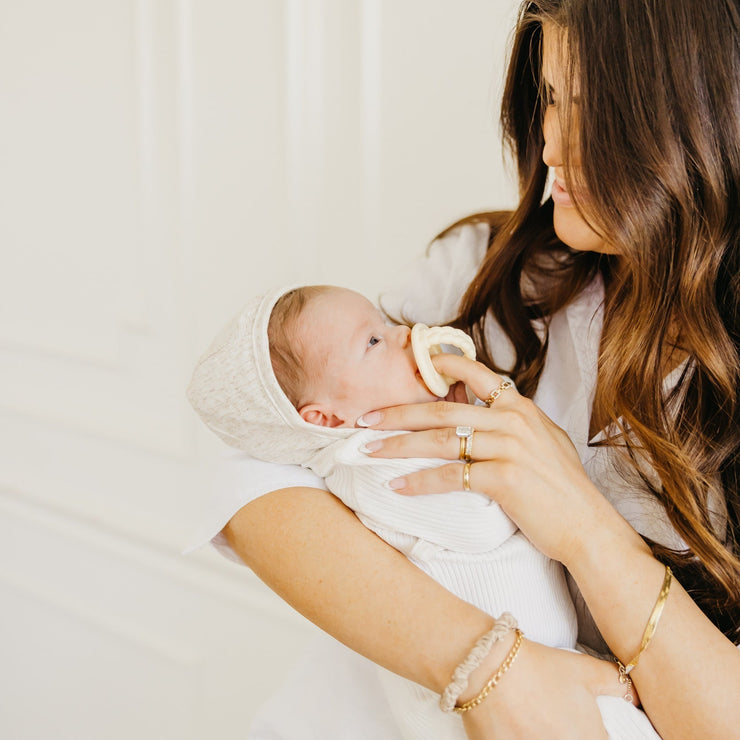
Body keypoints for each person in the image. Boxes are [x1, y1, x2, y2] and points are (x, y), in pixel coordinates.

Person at [188, 1, 740, 737]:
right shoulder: (484, 271)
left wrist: (582, 525)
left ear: (696, 120)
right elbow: (253, 469)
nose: (549, 145)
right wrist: (486, 669)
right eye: (547, 99)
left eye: (590, 111)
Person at [187, 283, 661, 738]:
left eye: (385, 323)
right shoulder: (371, 460)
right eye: (373, 341)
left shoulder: (395, 442)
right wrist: (507, 463)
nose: (405, 334)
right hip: (479, 699)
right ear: (325, 418)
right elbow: (477, 524)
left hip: (537, 657)